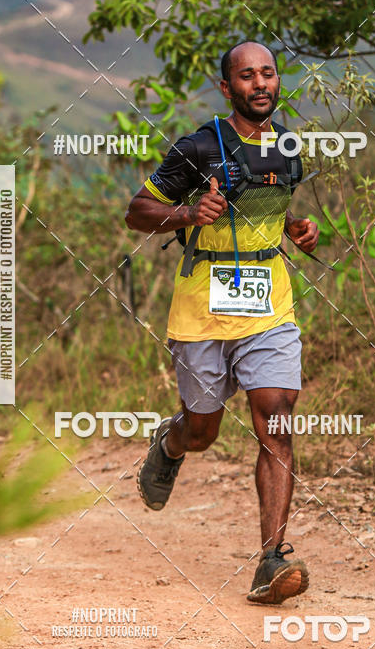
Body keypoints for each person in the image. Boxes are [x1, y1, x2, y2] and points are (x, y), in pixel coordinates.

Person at [125, 41, 319, 604]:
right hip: (202, 309)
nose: (260, 84)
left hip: (270, 305)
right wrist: (186, 213)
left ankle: (271, 558)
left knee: (276, 419)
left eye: (268, 74)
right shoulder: (198, 147)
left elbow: (270, 213)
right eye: (247, 76)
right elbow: (138, 211)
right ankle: (172, 442)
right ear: (227, 87)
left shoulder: (288, 147)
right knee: (204, 431)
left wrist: (296, 229)